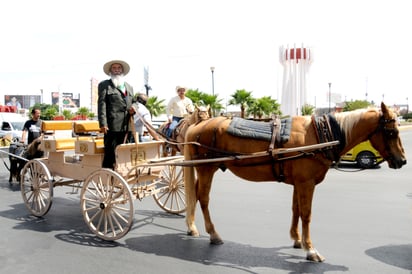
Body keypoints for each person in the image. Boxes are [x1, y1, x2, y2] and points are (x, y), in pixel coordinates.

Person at [98, 59, 138, 169]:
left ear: (122, 70)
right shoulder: (104, 85)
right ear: (110, 71)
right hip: (112, 126)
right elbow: (102, 104)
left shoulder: (129, 86)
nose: (117, 70)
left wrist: (134, 107)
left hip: (128, 125)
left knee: (126, 153)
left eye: (119, 68)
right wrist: (103, 123)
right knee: (111, 154)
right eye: (114, 68)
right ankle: (107, 177)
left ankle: (123, 175)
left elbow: (134, 101)